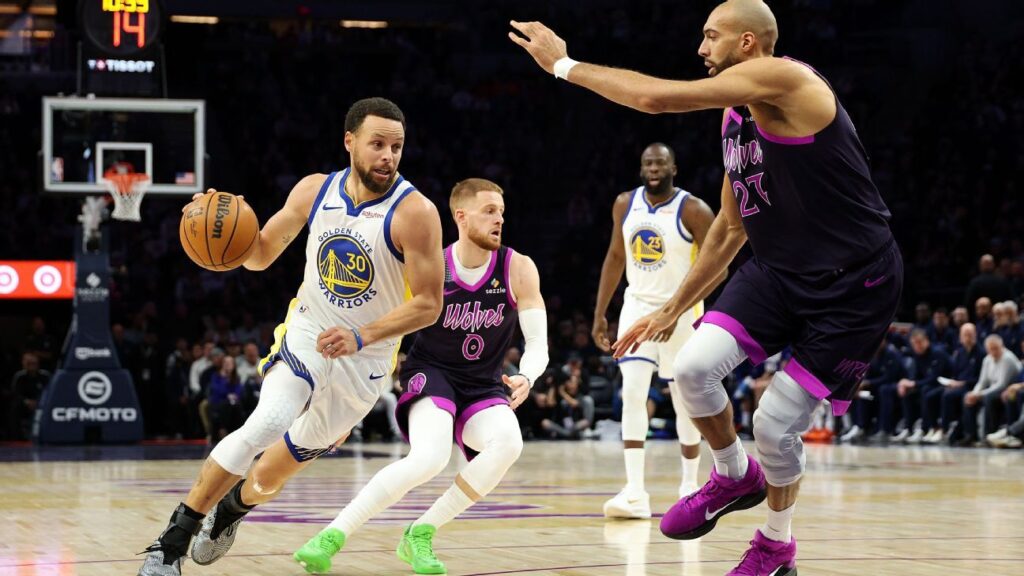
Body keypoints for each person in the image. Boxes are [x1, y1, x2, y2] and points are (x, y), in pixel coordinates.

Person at [510, 2, 902, 574]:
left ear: (747, 43)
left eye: (711, 36)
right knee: (693, 369)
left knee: (773, 425)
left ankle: (776, 545)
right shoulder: (736, 116)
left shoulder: (788, 80)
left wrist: (564, 66)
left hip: (856, 284)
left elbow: (656, 99)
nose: (701, 48)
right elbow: (731, 227)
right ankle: (733, 474)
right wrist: (672, 308)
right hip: (781, 271)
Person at [137, 97, 444, 576]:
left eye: (396, 147)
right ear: (349, 141)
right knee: (269, 419)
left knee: (267, 478)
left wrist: (361, 336)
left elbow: (429, 304)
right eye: (377, 144)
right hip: (309, 331)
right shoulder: (314, 191)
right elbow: (258, 255)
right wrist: (219, 224)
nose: (388, 156)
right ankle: (170, 546)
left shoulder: (416, 213)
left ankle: (232, 510)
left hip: (365, 361)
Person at [293, 178, 548, 575]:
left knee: (509, 443)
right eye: (489, 211)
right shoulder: (431, 267)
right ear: (461, 216)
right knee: (430, 456)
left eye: (501, 212)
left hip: (483, 384)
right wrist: (348, 411)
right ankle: (331, 535)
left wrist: (527, 376)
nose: (499, 219)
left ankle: (421, 532)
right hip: (431, 373)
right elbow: (382, 338)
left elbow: (538, 343)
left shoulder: (518, 267)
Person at [592, 142, 717, 518]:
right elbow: (616, 256)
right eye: (648, 163)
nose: (654, 168)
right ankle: (634, 492)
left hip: (682, 311)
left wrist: (676, 311)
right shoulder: (624, 204)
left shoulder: (694, 209)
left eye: (661, 163)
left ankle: (689, 486)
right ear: (641, 167)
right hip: (637, 308)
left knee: (684, 400)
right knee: (632, 392)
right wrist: (601, 313)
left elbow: (719, 269)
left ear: (673, 168)